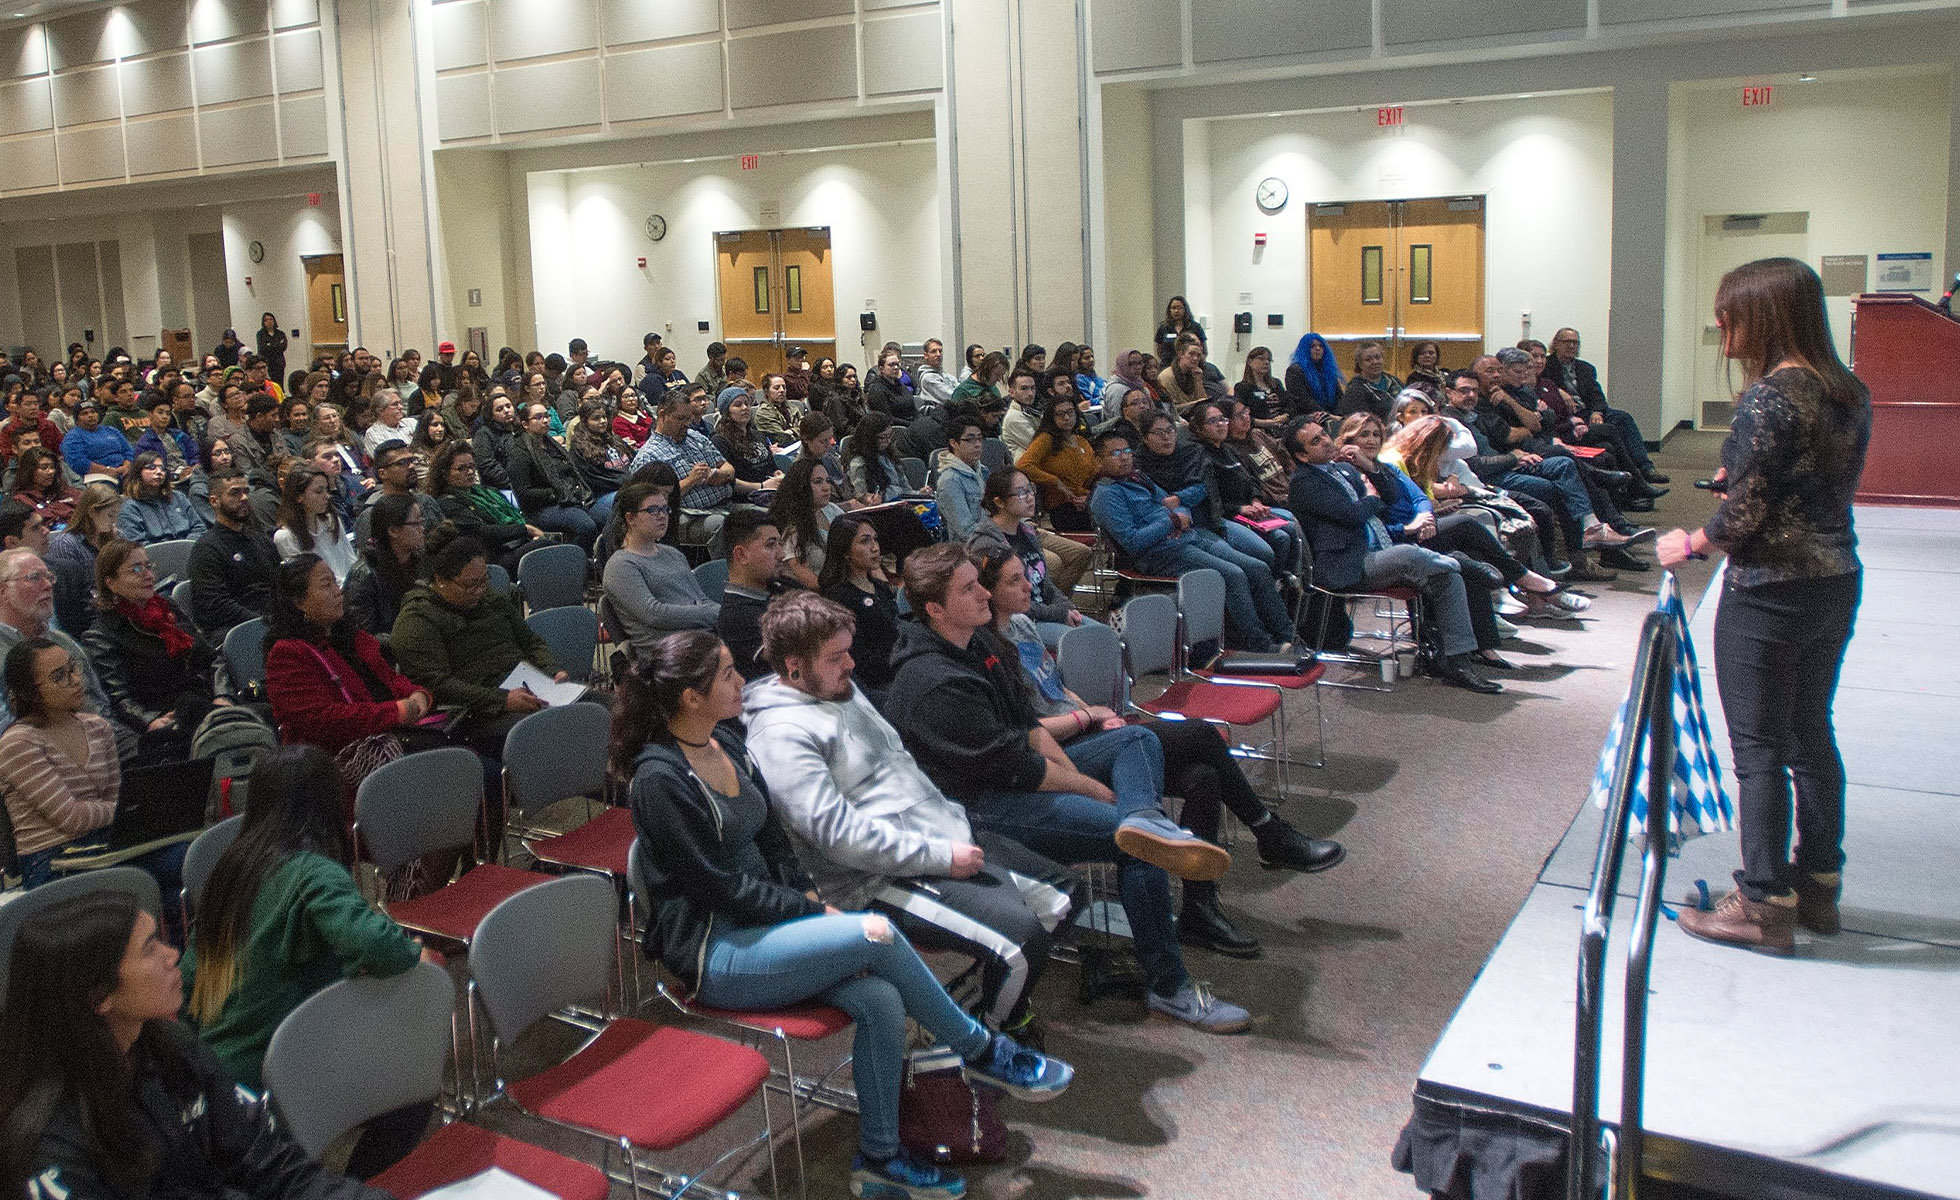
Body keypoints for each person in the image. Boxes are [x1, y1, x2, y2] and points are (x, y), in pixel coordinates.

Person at [618, 630, 1071, 1200]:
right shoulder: (658, 781)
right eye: (728, 674)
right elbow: (721, 888)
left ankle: (878, 1161)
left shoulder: (725, 742)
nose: (742, 683)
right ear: (690, 696)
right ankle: (980, 1049)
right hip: (719, 950)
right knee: (876, 933)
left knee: (880, 1000)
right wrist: (809, 909)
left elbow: (776, 845)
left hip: (767, 928)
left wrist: (809, 902)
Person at [886, 544, 1254, 1032]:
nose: (982, 595)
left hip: (1016, 775)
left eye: (979, 582)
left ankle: (1145, 817)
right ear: (934, 608)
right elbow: (1018, 768)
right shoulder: (934, 682)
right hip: (978, 809)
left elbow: (1030, 728)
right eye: (969, 589)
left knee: (1136, 738)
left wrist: (1090, 783)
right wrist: (1087, 788)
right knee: (1135, 846)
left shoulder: (980, 644)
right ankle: (1171, 987)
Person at [976, 547, 1340, 957]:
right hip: (1060, 755)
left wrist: (1092, 714)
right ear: (986, 593)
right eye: (1013, 581)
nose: (1029, 585)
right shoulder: (988, 649)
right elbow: (1028, 732)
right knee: (1201, 735)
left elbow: (1058, 691)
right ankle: (1269, 831)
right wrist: (1086, 720)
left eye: (1024, 575)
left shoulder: (1023, 624)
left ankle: (1201, 908)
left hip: (1088, 732)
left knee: (1204, 777)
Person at [1657, 258, 1871, 955]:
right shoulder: (1847, 390)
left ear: (1765, 316)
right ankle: (1818, 884)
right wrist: (1742, 480)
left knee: (1759, 752)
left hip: (1769, 593)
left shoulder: (1767, 398)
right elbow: (1804, 484)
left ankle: (1759, 902)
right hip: (1834, 578)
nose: (1722, 330)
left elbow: (1743, 518)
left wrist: (1692, 539)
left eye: (1730, 316)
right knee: (1812, 734)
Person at [744, 591, 1077, 1034]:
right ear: (793, 666)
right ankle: (988, 1034)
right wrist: (941, 856)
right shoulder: (781, 734)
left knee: (1065, 897)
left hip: (940, 833)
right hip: (877, 878)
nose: (852, 665)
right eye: (837, 656)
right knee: (1021, 940)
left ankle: (960, 1006)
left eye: (848, 651)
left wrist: (947, 834)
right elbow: (839, 836)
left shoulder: (836, 686)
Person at [0, 890, 385, 1200]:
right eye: (150, 949)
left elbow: (270, 1165)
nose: (173, 956)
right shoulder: (51, 1146)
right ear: (99, 996)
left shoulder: (173, 1048)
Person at [1285, 418, 1500, 694]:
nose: (1326, 440)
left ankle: (1457, 662)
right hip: (1349, 562)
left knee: (1448, 578)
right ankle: (1466, 564)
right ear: (1302, 455)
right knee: (1412, 554)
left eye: (1324, 434)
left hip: (1379, 550)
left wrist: (1369, 467)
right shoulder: (1304, 483)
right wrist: (1371, 499)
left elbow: (1388, 497)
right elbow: (1354, 515)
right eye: (1315, 441)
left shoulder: (1343, 470)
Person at [1104, 424, 1294, 651]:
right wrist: (1172, 521)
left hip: (1189, 536)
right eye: (1115, 454)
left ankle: (1287, 635)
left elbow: (1176, 503)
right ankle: (1260, 644)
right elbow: (1133, 541)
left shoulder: (1138, 478)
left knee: (1258, 567)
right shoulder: (1107, 495)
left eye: (1126, 451)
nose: (1124, 458)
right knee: (1234, 574)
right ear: (1099, 460)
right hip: (1160, 553)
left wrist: (1180, 514)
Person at [390, 531, 583, 741]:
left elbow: (530, 642)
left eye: (484, 581)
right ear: (440, 580)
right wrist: (502, 700)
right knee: (559, 729)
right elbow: (438, 685)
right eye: (470, 585)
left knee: (604, 709)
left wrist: (552, 670)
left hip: (526, 687)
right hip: (476, 710)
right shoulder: (417, 620)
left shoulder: (490, 599)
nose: (480, 591)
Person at [264, 555, 437, 766]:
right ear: (299, 602)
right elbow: (321, 721)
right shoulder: (287, 654)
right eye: (326, 585)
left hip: (390, 741)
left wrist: (417, 694)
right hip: (339, 764)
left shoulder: (349, 635)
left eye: (335, 583)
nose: (338, 592)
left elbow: (388, 679)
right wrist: (395, 712)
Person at [83, 539, 223, 747]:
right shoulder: (102, 634)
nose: (148, 575)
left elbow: (211, 658)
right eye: (136, 569)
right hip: (167, 718)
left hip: (205, 703)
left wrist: (223, 694)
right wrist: (149, 720)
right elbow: (118, 697)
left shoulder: (167, 608)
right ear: (111, 582)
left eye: (149, 567)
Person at [965, 469, 1088, 648]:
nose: (1030, 497)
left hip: (1045, 612)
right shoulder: (987, 544)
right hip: (1019, 622)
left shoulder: (1027, 532)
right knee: (1084, 644)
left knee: (1104, 635)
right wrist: (1059, 613)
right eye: (1021, 493)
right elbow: (1005, 602)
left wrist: (1068, 606)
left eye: (1030, 490)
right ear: (999, 502)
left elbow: (1046, 584)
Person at [602, 478, 718, 659]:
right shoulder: (621, 565)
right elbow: (654, 614)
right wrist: (717, 614)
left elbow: (700, 599)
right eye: (652, 510)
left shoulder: (672, 554)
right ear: (630, 518)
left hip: (700, 639)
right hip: (666, 654)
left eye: (665, 509)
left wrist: (722, 615)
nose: (662, 515)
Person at [1547, 327, 1667, 485]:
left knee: (1623, 418)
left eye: (1575, 343)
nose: (1571, 346)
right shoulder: (1546, 367)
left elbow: (1597, 396)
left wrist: (1597, 412)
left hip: (1589, 411)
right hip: (1568, 417)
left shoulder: (1586, 368)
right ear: (1556, 344)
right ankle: (1635, 480)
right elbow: (1542, 387)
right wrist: (1558, 390)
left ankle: (1645, 467)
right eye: (1567, 342)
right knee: (1609, 436)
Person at [185, 469, 280, 638]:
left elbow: (280, 583)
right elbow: (216, 606)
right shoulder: (206, 549)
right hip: (241, 630)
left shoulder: (260, 540)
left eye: (245, 492)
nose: (243, 498)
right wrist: (265, 622)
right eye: (235, 493)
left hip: (274, 618)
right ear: (214, 501)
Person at [632, 392, 735, 548]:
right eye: (680, 419)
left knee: (764, 514)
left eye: (689, 418)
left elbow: (728, 467)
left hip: (726, 504)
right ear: (662, 415)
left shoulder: (695, 437)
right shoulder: (648, 456)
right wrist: (690, 481)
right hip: (687, 516)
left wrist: (720, 474)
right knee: (723, 525)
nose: (686, 424)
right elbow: (650, 503)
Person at [816, 514, 900, 691]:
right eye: (865, 541)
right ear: (845, 551)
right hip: (879, 682)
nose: (875, 548)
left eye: (875, 540)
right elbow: (858, 657)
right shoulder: (838, 597)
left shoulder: (879, 587)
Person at [508, 401, 600, 550]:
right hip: (543, 507)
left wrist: (572, 491)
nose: (545, 420)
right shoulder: (519, 452)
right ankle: (573, 562)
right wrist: (556, 493)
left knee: (608, 517)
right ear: (525, 424)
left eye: (547, 416)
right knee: (586, 526)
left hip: (571, 497)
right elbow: (524, 493)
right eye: (538, 417)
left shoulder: (551, 444)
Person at [716, 506, 790, 681]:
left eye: (780, 544)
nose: (782, 554)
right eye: (771, 545)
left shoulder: (783, 586)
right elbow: (801, 659)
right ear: (741, 555)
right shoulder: (736, 616)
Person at [342, 494, 428, 635]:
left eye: (422, 522)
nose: (422, 529)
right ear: (393, 531)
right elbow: (364, 635)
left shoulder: (421, 560)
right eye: (416, 524)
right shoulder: (364, 575)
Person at [1016, 393, 1097, 533]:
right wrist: (1056, 482)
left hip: (1087, 500)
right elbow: (1023, 465)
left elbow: (1095, 472)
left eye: (1070, 412)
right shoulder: (1046, 439)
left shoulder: (1081, 440)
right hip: (1062, 505)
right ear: (1051, 418)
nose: (1066, 418)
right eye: (1060, 414)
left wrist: (1089, 496)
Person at [768, 457, 845, 591]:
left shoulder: (833, 510)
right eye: (817, 482)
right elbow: (804, 578)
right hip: (816, 595)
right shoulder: (791, 526)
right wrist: (838, 593)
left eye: (827, 481)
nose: (826, 487)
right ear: (801, 486)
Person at [272, 465, 355, 584]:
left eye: (326, 490)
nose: (327, 496)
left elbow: (351, 560)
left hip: (353, 590)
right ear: (298, 496)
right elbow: (307, 582)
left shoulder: (332, 520)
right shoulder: (285, 537)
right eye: (318, 491)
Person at [114, 452, 207, 547]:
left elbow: (199, 527)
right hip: (155, 558)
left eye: (162, 468)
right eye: (151, 467)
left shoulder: (179, 497)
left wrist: (185, 547)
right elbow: (136, 545)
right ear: (138, 472)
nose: (159, 472)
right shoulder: (130, 507)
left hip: (190, 551)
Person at [711, 386, 784, 500]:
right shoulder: (720, 441)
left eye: (747, 403)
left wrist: (776, 474)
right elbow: (728, 482)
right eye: (738, 405)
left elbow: (771, 466)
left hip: (770, 490)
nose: (744, 408)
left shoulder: (758, 434)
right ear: (726, 412)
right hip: (746, 497)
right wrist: (761, 486)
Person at [843, 412, 912, 504]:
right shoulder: (858, 463)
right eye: (883, 437)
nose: (888, 441)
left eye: (890, 436)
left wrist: (919, 494)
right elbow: (861, 497)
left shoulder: (889, 456)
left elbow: (905, 488)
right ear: (870, 438)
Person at [61, 399, 135, 483]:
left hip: (124, 472)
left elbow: (128, 450)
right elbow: (78, 463)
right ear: (77, 419)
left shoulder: (111, 430)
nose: (90, 415)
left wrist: (126, 466)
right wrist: (107, 470)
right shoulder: (72, 437)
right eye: (84, 413)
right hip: (97, 477)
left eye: (93, 412)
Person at [12, 446, 78, 527]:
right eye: (44, 467)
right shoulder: (22, 500)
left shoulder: (64, 490)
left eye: (52, 467)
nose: (51, 472)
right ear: (29, 470)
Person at [1340, 342, 1402, 421]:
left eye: (1377, 357)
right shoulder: (1354, 389)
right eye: (1368, 360)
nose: (1375, 362)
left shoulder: (1394, 381)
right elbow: (1358, 421)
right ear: (1360, 364)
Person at [1153, 295, 1205, 366]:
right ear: (1169, 310)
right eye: (1174, 308)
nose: (1176, 311)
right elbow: (1159, 350)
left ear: (1185, 310)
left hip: (1189, 367)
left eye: (1180, 308)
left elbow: (1204, 350)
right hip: (1168, 365)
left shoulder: (1195, 327)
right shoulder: (1163, 328)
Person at [256, 312, 288, 384]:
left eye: (270, 319)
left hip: (279, 363)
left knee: (279, 383)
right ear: (263, 322)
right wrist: (277, 345)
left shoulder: (280, 333)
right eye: (266, 320)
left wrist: (270, 345)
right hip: (267, 363)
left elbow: (283, 347)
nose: (269, 322)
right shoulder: (260, 334)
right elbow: (263, 348)